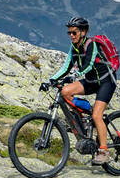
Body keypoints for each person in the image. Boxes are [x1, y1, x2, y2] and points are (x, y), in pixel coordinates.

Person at [46, 17, 115, 164]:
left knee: (97, 115)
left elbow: (89, 65)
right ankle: (86, 116)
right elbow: (66, 67)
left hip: (106, 81)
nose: (71, 35)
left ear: (83, 32)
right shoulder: (74, 48)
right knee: (65, 92)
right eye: (69, 32)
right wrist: (51, 80)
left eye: (74, 32)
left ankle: (103, 151)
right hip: (91, 81)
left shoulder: (91, 44)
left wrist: (74, 75)